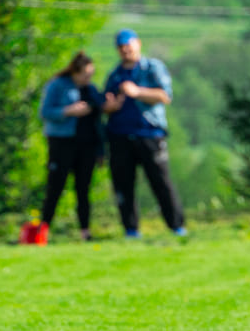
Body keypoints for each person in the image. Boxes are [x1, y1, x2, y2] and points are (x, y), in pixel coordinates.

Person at [104, 29, 186, 238]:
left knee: (160, 181)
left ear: (138, 44)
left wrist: (138, 92)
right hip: (120, 135)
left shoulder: (152, 68)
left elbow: (164, 95)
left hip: (150, 133)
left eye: (128, 46)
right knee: (124, 185)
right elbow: (105, 103)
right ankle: (131, 230)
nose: (125, 51)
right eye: (121, 48)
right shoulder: (115, 75)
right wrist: (109, 107)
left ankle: (176, 226)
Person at [37, 52, 106, 243]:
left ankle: (85, 232)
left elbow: (99, 114)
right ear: (75, 72)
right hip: (62, 142)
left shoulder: (91, 89)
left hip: (87, 145)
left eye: (91, 74)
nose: (88, 78)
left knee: (83, 189)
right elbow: (45, 112)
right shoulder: (57, 85)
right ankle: (43, 231)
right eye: (85, 74)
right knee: (55, 187)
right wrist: (69, 111)